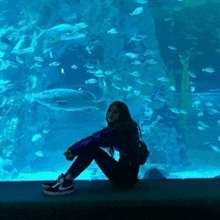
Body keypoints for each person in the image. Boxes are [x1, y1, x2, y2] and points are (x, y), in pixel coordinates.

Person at [43, 101, 143, 196]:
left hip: (125, 179)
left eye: (115, 112)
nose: (110, 114)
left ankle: (67, 182)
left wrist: (74, 151)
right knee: (92, 147)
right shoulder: (116, 129)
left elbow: (95, 141)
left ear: (122, 114)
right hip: (124, 176)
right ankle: (66, 178)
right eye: (109, 111)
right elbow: (93, 137)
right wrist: (73, 149)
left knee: (92, 149)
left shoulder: (120, 131)